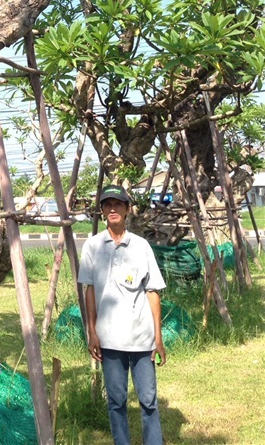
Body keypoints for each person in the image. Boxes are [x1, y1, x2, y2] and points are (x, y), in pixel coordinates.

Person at [78, 184, 166, 445]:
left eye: (118, 204)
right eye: (107, 204)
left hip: (141, 337)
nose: (112, 209)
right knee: (116, 401)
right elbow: (90, 292)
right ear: (103, 211)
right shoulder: (93, 246)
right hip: (109, 338)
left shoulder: (141, 246)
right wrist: (92, 332)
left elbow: (152, 292)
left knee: (148, 400)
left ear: (128, 209)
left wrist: (158, 338)